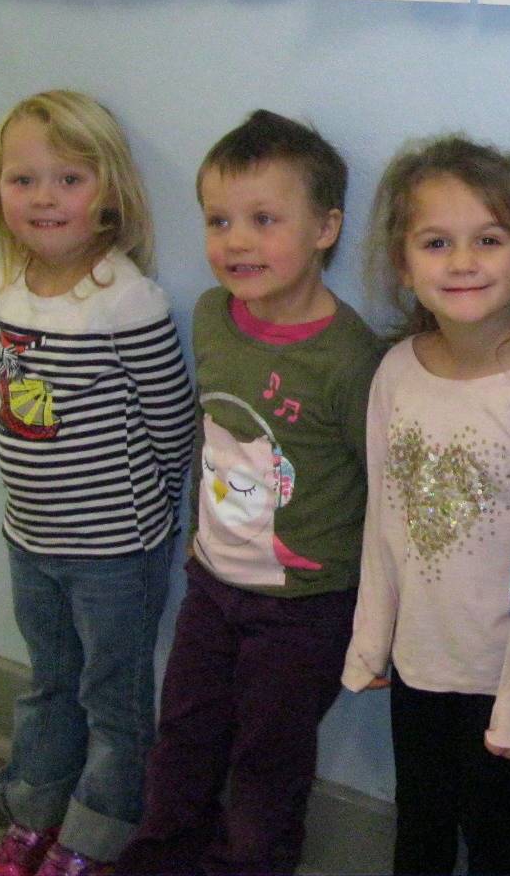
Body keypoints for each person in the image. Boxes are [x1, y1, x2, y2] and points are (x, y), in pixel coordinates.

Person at [117, 111, 383, 876]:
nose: (237, 241)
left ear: (326, 227)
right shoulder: (210, 316)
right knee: (184, 742)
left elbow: (375, 492)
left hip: (303, 606)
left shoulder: (349, 359)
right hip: (212, 584)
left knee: (266, 768)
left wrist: (373, 619)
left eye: (264, 220)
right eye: (219, 220)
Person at [0, 91, 195, 876]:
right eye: (22, 178)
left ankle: (94, 839)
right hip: (29, 535)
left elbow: (173, 420)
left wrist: (158, 519)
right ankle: (32, 813)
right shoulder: (5, 282)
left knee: (114, 701)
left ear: (109, 193)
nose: (42, 197)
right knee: (47, 685)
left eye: (67, 179)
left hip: (112, 550)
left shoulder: (125, 299)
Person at [341, 137, 510, 875]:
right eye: (437, 242)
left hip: (498, 672)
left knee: (493, 832)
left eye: (488, 240)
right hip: (418, 663)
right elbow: (385, 520)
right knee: (421, 824)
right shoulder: (397, 373)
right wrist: (371, 640)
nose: (463, 262)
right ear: (405, 265)